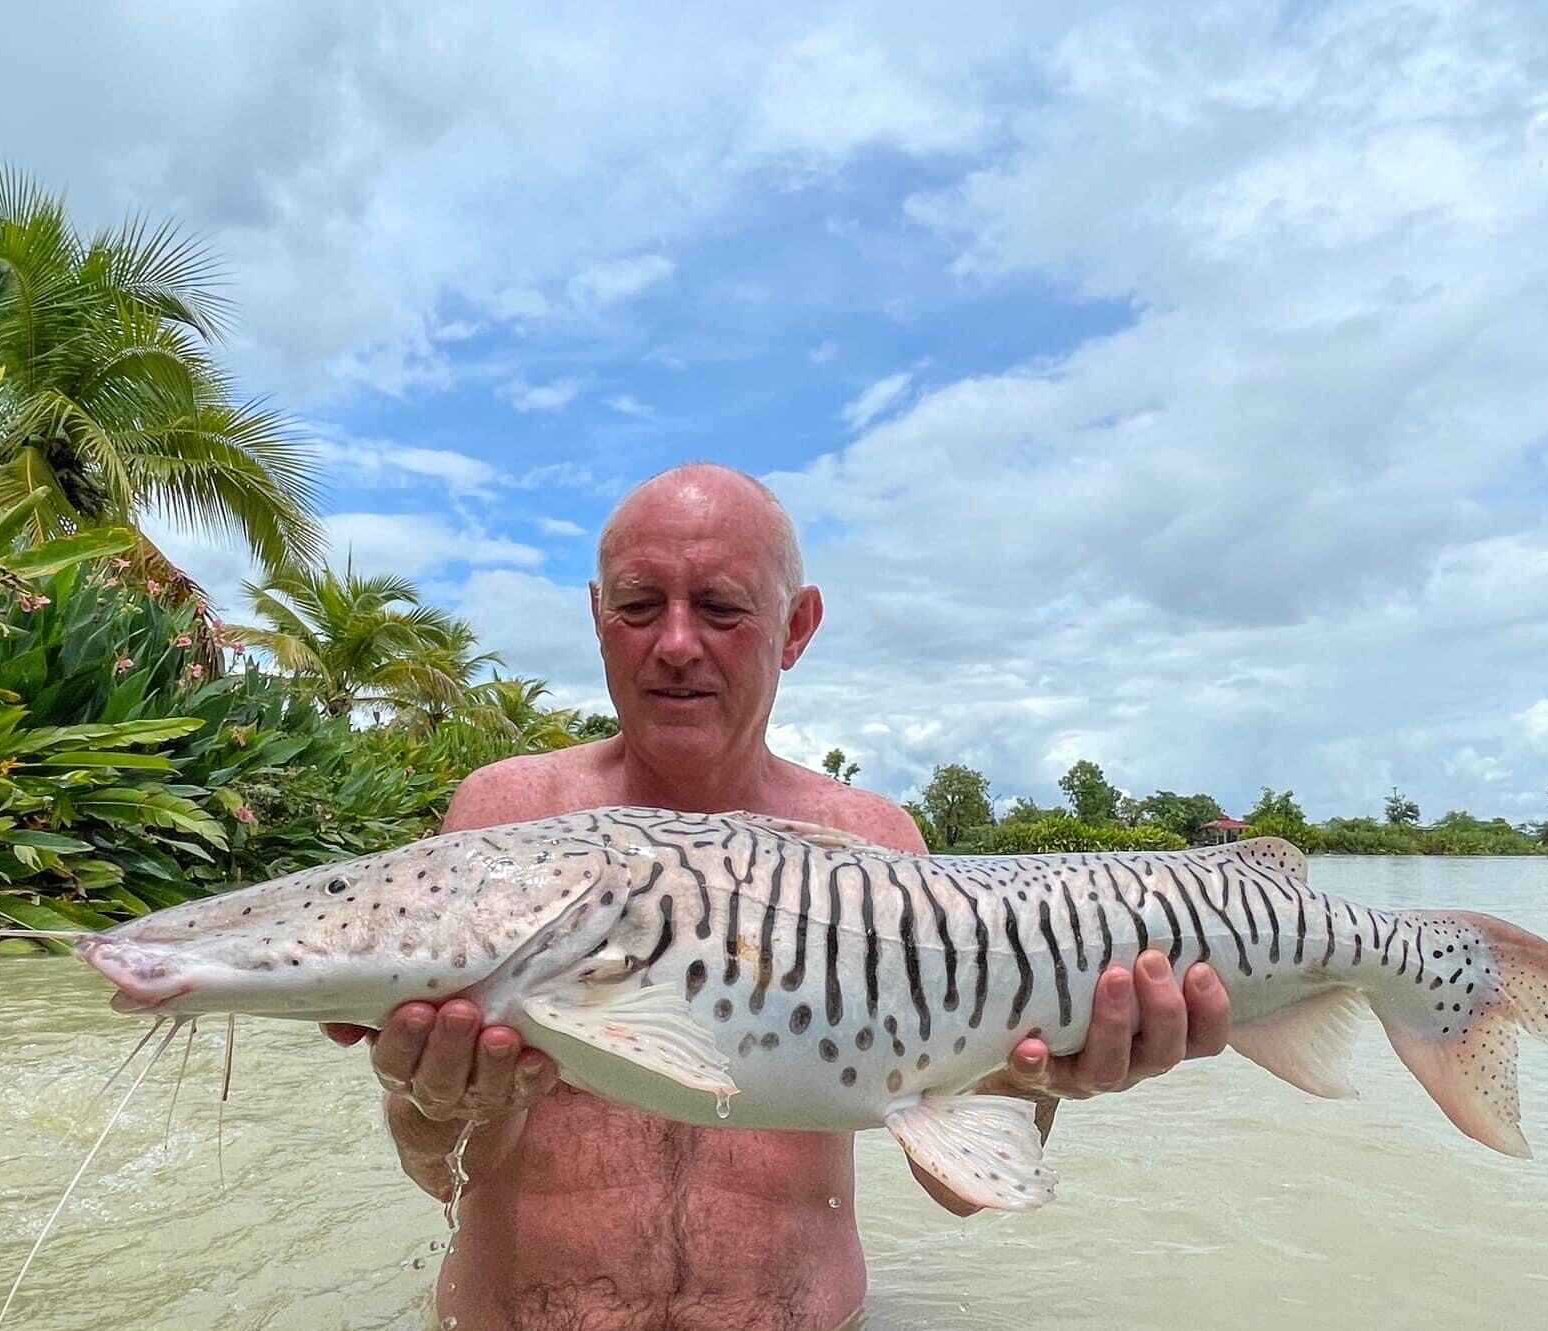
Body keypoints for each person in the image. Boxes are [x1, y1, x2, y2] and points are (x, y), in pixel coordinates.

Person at [324, 462, 1232, 1331]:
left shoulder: (877, 842)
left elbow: (956, 1188)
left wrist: (1048, 1073)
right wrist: (437, 1101)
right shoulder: (505, 817)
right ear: (598, 618)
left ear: (797, 627)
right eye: (640, 606)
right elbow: (439, 1174)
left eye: (720, 608)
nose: (676, 644)